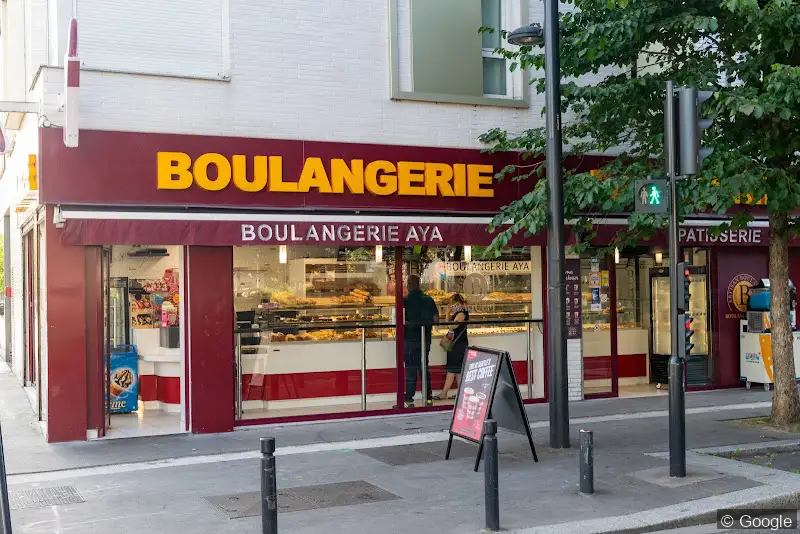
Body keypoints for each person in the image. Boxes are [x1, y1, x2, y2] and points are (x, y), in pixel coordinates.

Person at [402, 275, 439, 408]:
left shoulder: (405, 301)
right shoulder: (428, 299)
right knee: (424, 367)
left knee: (411, 368)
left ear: (409, 285)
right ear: (419, 284)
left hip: (410, 339)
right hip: (425, 339)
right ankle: (428, 398)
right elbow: (436, 319)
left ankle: (409, 400)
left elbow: (399, 319)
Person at [435, 293, 469, 401]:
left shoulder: (461, 314)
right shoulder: (458, 313)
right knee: (458, 370)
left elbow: (451, 326)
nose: (452, 306)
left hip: (458, 345)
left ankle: (444, 393)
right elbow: (447, 324)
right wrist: (448, 313)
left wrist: (449, 313)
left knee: (451, 369)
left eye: (453, 304)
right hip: (457, 344)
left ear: (458, 303)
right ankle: (461, 393)